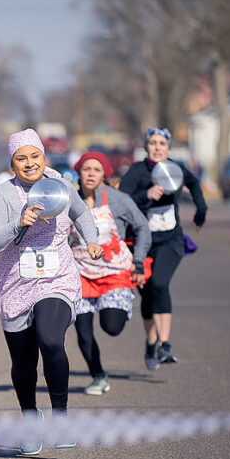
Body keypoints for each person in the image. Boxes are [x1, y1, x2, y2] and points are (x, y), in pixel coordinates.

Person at [0, 128, 103, 455]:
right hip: (16, 283)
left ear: (43, 157)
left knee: (50, 339)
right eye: (22, 159)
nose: (30, 163)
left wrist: (92, 239)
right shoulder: (5, 195)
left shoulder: (60, 185)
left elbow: (80, 212)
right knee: (23, 363)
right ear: (12, 165)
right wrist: (18, 223)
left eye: (35, 156)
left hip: (57, 278)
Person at [119, 127, 207, 370]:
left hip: (171, 240)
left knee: (159, 283)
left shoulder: (176, 168)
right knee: (147, 295)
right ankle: (151, 342)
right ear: (146, 147)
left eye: (162, 144)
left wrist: (201, 210)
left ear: (168, 148)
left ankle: (165, 344)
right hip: (141, 244)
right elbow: (121, 201)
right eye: (153, 143)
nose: (158, 147)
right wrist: (145, 195)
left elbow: (195, 183)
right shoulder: (137, 171)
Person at [70, 152, 152, 395]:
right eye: (87, 169)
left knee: (111, 327)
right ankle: (98, 376)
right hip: (81, 274)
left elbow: (142, 227)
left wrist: (138, 262)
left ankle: (119, 308)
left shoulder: (118, 199)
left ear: (105, 174)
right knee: (83, 331)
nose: (91, 174)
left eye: (97, 169)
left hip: (114, 273)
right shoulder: (70, 200)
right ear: (79, 172)